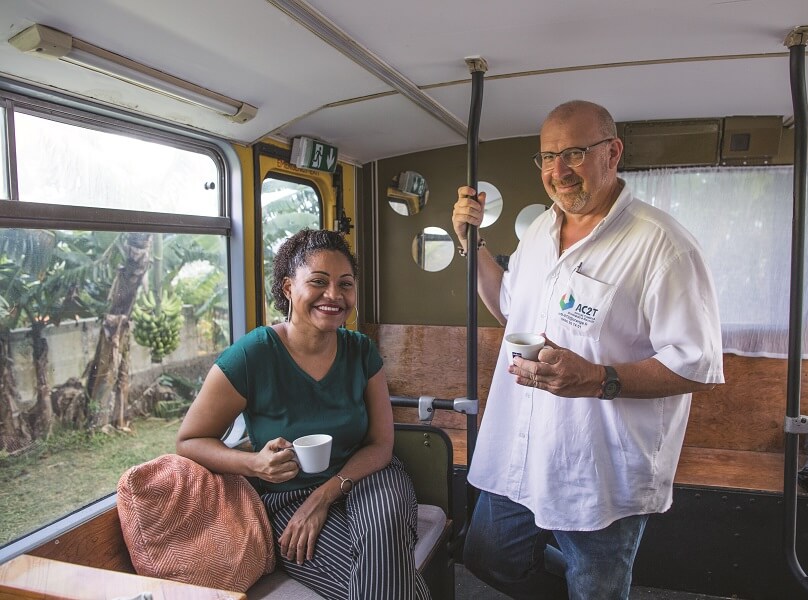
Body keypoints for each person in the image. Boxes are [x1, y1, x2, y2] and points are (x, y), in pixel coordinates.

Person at [451, 100, 725, 600]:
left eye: (574, 154)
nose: (558, 172)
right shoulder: (539, 232)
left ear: (613, 152)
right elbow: (512, 308)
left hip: (598, 467)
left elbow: (697, 366)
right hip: (521, 446)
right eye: (547, 157)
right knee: (488, 557)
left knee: (596, 588)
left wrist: (598, 379)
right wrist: (474, 243)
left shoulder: (662, 244)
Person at [176, 229, 431, 600]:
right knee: (386, 586)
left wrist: (325, 495)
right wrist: (255, 464)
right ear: (287, 288)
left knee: (385, 526)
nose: (334, 295)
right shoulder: (252, 356)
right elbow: (189, 441)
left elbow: (381, 445)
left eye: (345, 284)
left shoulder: (361, 352)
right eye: (318, 282)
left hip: (370, 478)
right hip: (290, 499)